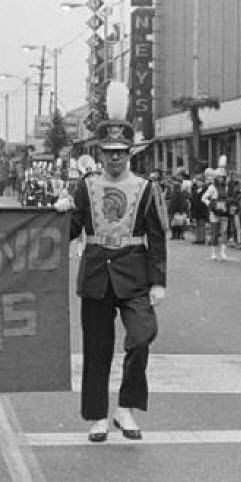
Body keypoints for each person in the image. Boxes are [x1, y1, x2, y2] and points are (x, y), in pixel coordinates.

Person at [56, 117, 167, 443]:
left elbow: (157, 238)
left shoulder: (146, 188)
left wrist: (159, 281)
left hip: (134, 274)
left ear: (129, 153)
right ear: (100, 153)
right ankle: (97, 417)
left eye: (120, 152)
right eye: (108, 152)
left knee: (142, 335)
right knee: (97, 349)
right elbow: (73, 229)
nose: (114, 158)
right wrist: (58, 215)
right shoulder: (86, 186)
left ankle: (126, 407)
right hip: (96, 274)